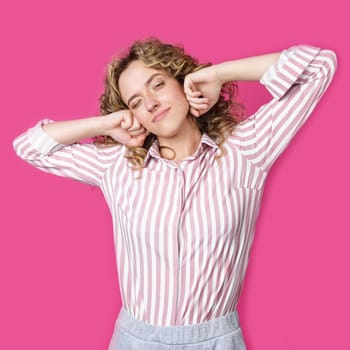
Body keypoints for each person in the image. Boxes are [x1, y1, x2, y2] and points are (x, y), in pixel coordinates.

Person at [13, 38, 337, 349]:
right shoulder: (118, 165)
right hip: (135, 341)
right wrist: (105, 124)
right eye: (136, 102)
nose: (150, 103)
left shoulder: (246, 150)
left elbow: (320, 65)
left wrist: (216, 74)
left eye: (157, 84)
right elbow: (29, 147)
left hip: (216, 341)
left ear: (182, 82)